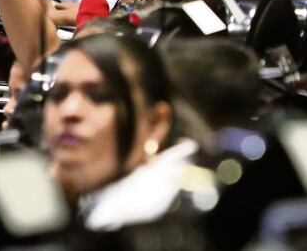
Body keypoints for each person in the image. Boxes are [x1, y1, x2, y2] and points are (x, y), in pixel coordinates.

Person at [42, 33, 201, 231]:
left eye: (98, 96)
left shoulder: (132, 219)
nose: (70, 111)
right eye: (59, 95)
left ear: (155, 123)